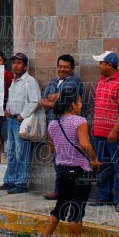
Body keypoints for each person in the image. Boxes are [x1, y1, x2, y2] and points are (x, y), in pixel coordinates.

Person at [35, 86, 100, 237]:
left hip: (62, 169)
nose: (81, 104)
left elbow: (52, 148)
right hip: (80, 170)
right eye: (78, 101)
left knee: (60, 207)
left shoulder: (53, 124)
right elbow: (85, 144)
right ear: (72, 105)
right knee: (76, 211)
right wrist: (94, 159)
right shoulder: (80, 121)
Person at [89, 51, 119, 213]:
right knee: (103, 166)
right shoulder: (102, 81)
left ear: (109, 64)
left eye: (101, 63)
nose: (99, 66)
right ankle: (104, 196)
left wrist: (115, 130)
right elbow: (100, 105)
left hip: (116, 135)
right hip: (100, 133)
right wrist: (96, 124)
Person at [40, 54, 84, 200]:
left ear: (72, 68)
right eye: (60, 66)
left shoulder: (75, 81)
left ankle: (70, 193)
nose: (62, 69)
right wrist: (58, 100)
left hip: (69, 127)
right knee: (58, 160)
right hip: (55, 126)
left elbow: (67, 98)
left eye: (66, 67)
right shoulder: (54, 82)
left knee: (69, 161)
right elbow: (42, 101)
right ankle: (59, 191)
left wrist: (55, 99)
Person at [0, 53, 41, 194]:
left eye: (19, 63)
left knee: (22, 153)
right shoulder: (14, 81)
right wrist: (7, 109)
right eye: (14, 62)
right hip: (11, 120)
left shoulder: (30, 81)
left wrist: (22, 115)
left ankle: (21, 184)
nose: (15, 65)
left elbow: (35, 101)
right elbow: (13, 98)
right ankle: (10, 181)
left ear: (25, 66)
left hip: (21, 122)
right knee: (11, 153)